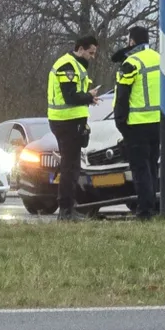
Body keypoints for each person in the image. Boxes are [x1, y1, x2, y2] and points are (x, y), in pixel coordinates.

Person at [47, 35, 101, 221]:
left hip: (71, 121)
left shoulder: (75, 65)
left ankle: (69, 209)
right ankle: (66, 211)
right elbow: (69, 96)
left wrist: (88, 98)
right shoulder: (67, 66)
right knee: (69, 168)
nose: (92, 57)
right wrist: (88, 96)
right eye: (90, 53)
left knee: (72, 166)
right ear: (80, 49)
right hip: (65, 122)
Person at [113, 26, 160, 221]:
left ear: (132, 41)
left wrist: (120, 122)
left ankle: (144, 211)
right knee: (152, 166)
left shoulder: (131, 63)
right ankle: (154, 206)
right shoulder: (159, 58)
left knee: (140, 170)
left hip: (137, 124)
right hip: (157, 123)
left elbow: (122, 95)